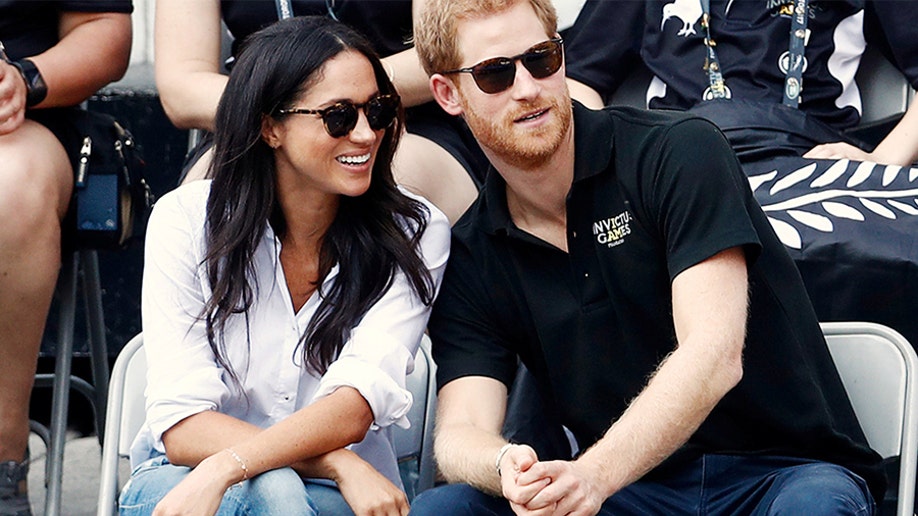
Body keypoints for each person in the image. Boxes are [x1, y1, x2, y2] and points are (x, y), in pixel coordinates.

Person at [409, 0, 885, 514]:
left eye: (543, 59)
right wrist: (505, 465)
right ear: (448, 93)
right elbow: (461, 430)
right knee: (447, 508)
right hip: (629, 492)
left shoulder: (678, 152)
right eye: (495, 73)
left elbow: (713, 356)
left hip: (780, 475)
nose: (528, 88)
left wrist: (593, 473)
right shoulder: (475, 250)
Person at [117, 16, 450, 515]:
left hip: (330, 496)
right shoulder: (186, 221)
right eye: (338, 116)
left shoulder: (414, 230)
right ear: (270, 127)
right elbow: (183, 426)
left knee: (280, 493)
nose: (365, 134)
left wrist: (231, 465)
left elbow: (354, 404)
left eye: (377, 111)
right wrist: (336, 462)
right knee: (274, 491)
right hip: (184, 478)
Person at [563, 0, 918, 356]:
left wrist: (883, 159)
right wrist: (616, 168)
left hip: (807, 158)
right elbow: (576, 79)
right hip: (680, 162)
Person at [154, 0, 488, 225]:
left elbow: (449, 52)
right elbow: (181, 87)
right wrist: (292, 110)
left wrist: (338, 100)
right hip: (265, 119)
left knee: (391, 181)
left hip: (401, 116)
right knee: (204, 201)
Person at [0, 3, 132, 515]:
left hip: (21, 133)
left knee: (9, 187)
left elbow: (105, 30)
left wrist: (25, 80)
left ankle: (4, 460)